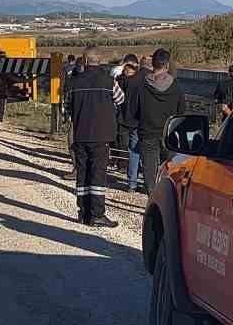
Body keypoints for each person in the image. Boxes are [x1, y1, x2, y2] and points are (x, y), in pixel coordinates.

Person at [66, 47, 120, 227]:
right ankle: (97, 214)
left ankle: (83, 212)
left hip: (81, 133)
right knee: (97, 173)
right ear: (100, 60)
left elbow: (67, 107)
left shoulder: (73, 83)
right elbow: (121, 99)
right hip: (101, 134)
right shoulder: (109, 81)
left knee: (82, 173)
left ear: (85, 61)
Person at [127, 47, 185, 195]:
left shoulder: (142, 86)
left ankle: (152, 198)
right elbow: (181, 111)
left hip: (147, 134)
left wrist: (136, 126)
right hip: (169, 135)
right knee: (169, 169)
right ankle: (168, 197)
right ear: (166, 65)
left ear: (153, 64)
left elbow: (132, 112)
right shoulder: (176, 87)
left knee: (149, 171)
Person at [112, 55, 141, 188]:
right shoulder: (142, 81)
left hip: (123, 119)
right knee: (134, 150)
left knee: (123, 145)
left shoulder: (121, 81)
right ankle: (133, 182)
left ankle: (124, 168)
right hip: (136, 120)